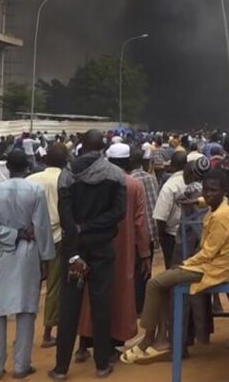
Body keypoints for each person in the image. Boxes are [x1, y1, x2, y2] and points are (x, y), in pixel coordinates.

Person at [120, 169, 229, 364]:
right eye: (205, 190)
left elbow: (208, 253)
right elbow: (208, 201)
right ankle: (161, 338)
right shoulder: (220, 205)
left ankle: (148, 339)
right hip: (212, 264)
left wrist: (185, 264)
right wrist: (197, 201)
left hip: (213, 269)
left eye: (213, 190)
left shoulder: (222, 217)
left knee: (154, 283)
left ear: (224, 191)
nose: (208, 194)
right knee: (164, 285)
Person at [50, 130, 127, 380]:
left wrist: (75, 242)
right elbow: (119, 212)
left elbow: (65, 215)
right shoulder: (115, 175)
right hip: (102, 248)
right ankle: (102, 364)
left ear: (81, 146)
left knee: (69, 307)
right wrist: (91, 226)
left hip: (74, 250)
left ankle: (61, 368)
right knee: (101, 305)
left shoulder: (66, 175)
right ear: (103, 148)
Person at [75, 143, 151, 364]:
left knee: (89, 291)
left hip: (93, 243)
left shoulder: (95, 180)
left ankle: (83, 343)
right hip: (123, 249)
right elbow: (140, 222)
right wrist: (144, 253)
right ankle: (109, 345)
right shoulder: (134, 185)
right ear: (129, 162)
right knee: (119, 292)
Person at [0, 149, 54, 380]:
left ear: (6, 167)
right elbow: (42, 226)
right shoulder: (34, 190)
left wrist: (12, 234)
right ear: (27, 167)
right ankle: (21, 365)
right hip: (28, 253)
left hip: (0, 254)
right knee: (26, 309)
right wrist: (46, 257)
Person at [25, 144, 67, 348]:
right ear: (65, 161)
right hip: (57, 237)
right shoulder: (65, 180)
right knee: (54, 286)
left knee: (29, 286)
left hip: (31, 238)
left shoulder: (30, 180)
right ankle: (48, 333)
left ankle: (24, 333)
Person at [129, 146, 159, 313]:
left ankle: (136, 306)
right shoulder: (151, 178)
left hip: (136, 232)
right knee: (146, 270)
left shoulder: (129, 181)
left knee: (134, 270)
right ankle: (145, 305)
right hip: (151, 231)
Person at [152, 150, 189, 269]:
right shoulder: (193, 181)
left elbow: (161, 216)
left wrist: (161, 238)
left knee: (172, 269)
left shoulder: (169, 186)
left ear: (172, 166)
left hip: (172, 236)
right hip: (191, 233)